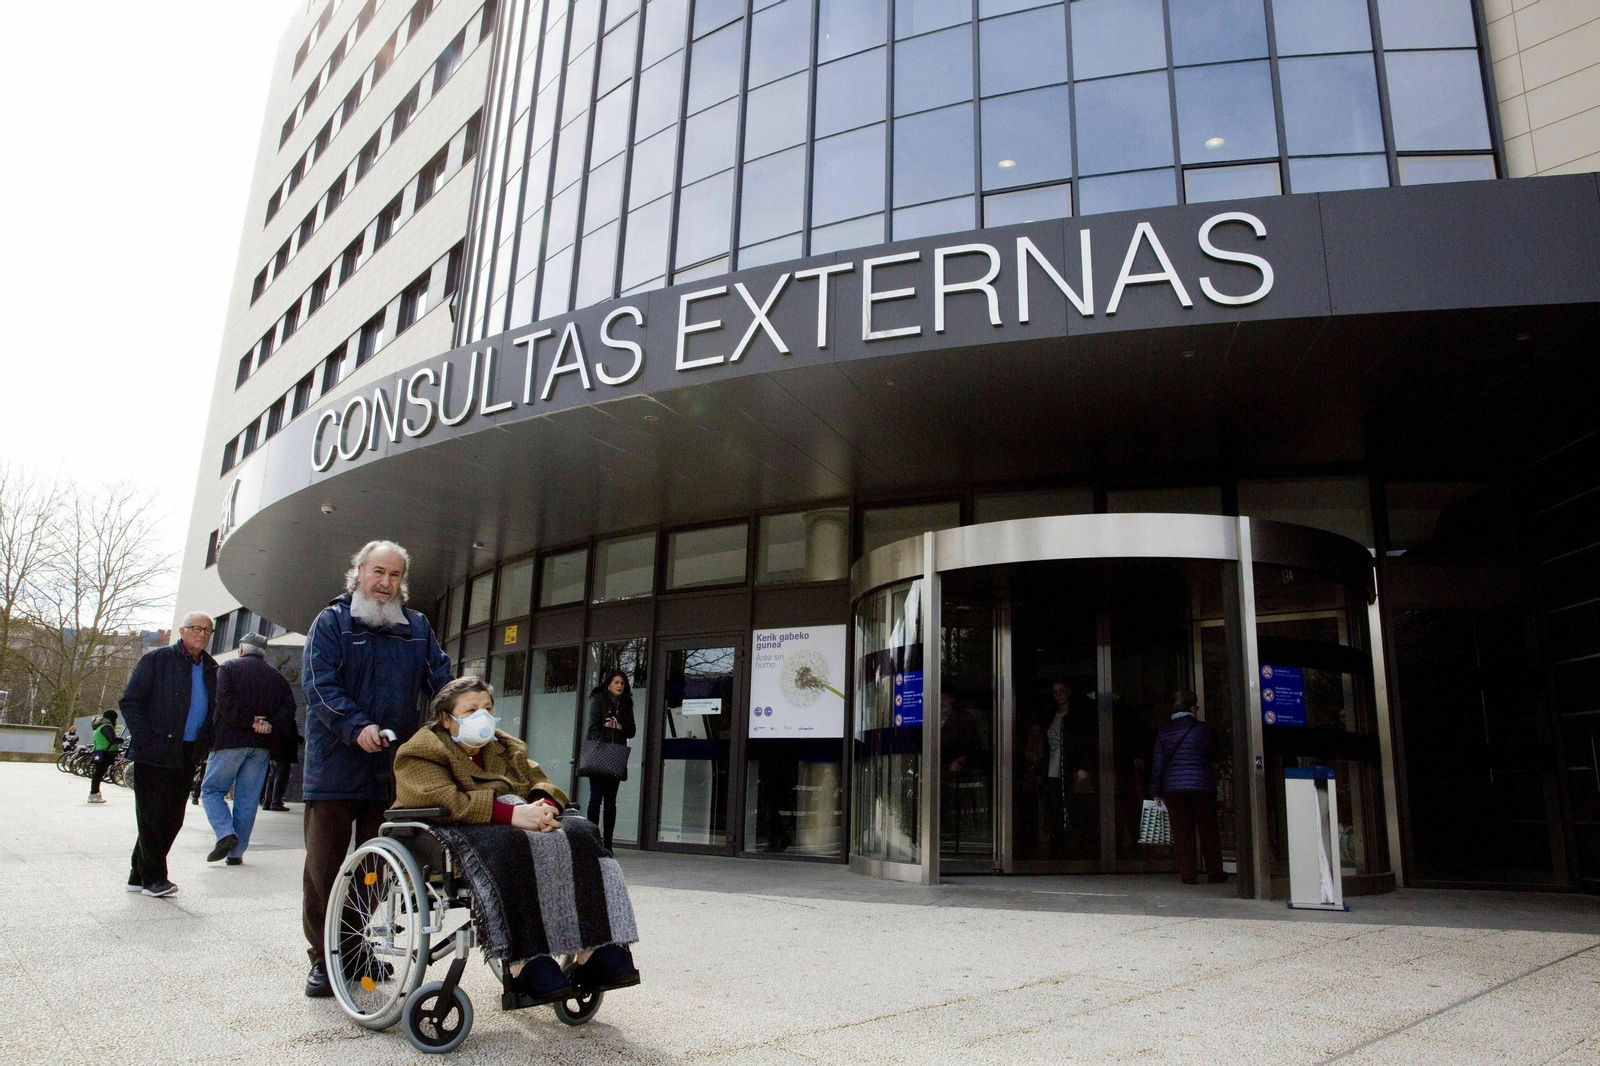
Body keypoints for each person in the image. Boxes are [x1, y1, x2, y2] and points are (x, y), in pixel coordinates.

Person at [394, 676, 640, 1002]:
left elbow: (541, 781)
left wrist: (546, 806)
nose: (481, 716)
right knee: (511, 844)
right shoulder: (422, 750)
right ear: (445, 717)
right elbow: (443, 800)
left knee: (583, 832)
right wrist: (512, 815)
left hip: (518, 822)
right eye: (470, 710)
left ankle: (597, 949)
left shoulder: (506, 746)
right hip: (458, 831)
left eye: (487, 708)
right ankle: (524, 962)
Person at [300, 540, 452, 998]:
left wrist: (463, 710)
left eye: (394, 576)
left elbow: (441, 681)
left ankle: (356, 949)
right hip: (334, 767)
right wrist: (356, 725)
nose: (385, 584)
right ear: (359, 570)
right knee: (325, 869)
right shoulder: (331, 623)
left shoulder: (417, 627)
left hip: (391, 769)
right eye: (378, 573)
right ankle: (323, 959)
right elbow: (319, 686)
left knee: (376, 870)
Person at [119, 613, 218, 897]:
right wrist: (147, 740)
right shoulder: (157, 660)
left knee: (173, 818)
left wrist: (206, 742)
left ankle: (137, 875)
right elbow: (130, 700)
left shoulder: (211, 667)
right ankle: (154, 879)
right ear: (183, 631)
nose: (202, 634)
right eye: (196, 629)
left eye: (207, 630)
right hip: (155, 749)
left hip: (187, 752)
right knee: (152, 816)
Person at [200, 633, 296, 865]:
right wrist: (268, 724)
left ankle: (225, 834)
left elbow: (223, 701)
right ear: (264, 651)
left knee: (211, 791)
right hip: (261, 746)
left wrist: (249, 721)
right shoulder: (278, 677)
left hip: (229, 741)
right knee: (247, 799)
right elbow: (289, 709)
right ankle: (236, 854)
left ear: (241, 648)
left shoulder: (228, 668)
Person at [1151, 690, 1226, 885]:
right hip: (1202, 786)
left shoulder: (1164, 732)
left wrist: (1155, 791)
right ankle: (1215, 873)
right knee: (1209, 830)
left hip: (1174, 788)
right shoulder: (1204, 729)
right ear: (1194, 709)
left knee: (1182, 832)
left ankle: (1188, 874)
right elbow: (1217, 754)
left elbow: (1158, 765)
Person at [583, 669, 636, 852]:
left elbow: (632, 731)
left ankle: (608, 844)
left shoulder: (627, 703)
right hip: (599, 754)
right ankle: (592, 841)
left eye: (622, 683)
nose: (620, 686)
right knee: (595, 799)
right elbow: (592, 727)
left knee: (611, 802)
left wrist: (619, 726)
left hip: (616, 756)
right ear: (608, 684)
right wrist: (602, 743)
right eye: (616, 682)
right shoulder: (598, 699)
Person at [260, 710, 300, 812]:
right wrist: (297, 739)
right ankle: (275, 802)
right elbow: (289, 734)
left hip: (273, 750)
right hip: (283, 751)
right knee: (280, 777)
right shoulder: (286, 718)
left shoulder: (273, 717)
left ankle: (267, 802)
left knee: (272, 776)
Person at [86, 711, 120, 804]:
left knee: (98, 774)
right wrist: (120, 740)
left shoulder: (98, 726)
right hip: (106, 752)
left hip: (98, 751)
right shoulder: (107, 726)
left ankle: (94, 793)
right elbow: (112, 739)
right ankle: (94, 794)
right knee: (99, 774)